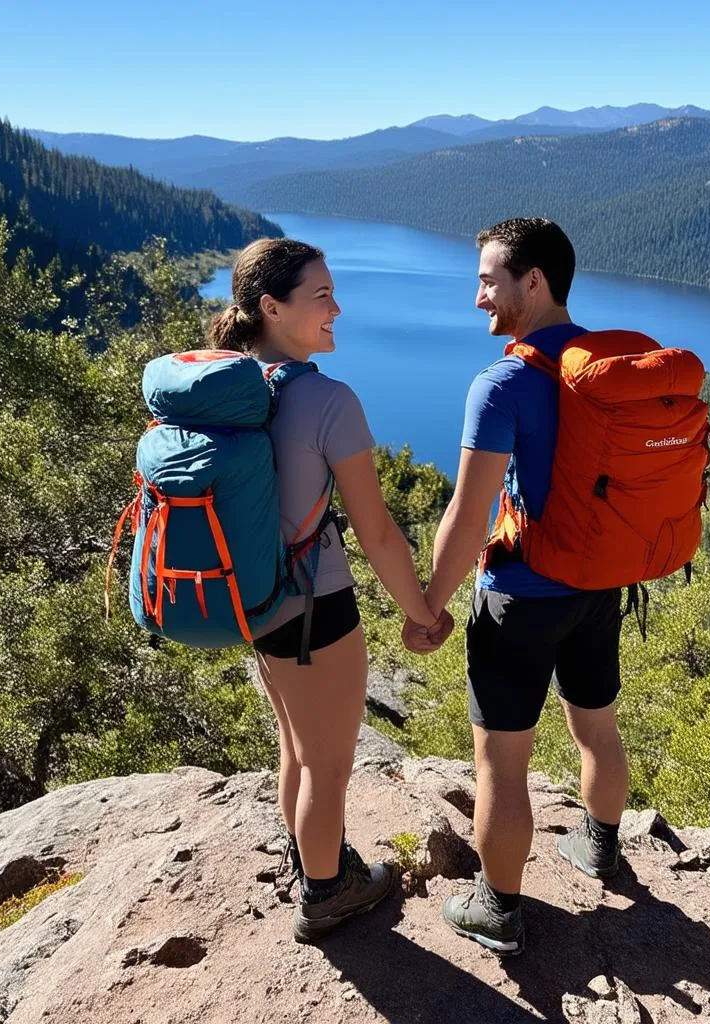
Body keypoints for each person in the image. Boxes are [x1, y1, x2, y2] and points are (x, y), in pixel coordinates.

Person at [207, 238, 453, 943]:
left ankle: (310, 857)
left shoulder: (231, 388)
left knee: (297, 748)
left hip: (258, 603)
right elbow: (377, 535)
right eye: (321, 297)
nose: (336, 308)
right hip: (318, 611)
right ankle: (325, 892)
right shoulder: (326, 401)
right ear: (272, 308)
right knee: (328, 764)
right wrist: (423, 614)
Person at [402, 218, 630, 956]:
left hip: (521, 597)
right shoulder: (608, 364)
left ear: (533, 282)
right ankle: (599, 848)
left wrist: (427, 607)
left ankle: (497, 909)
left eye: (487, 280)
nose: (477, 298)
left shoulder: (505, 381)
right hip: (598, 586)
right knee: (597, 726)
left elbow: (469, 517)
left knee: (502, 759)